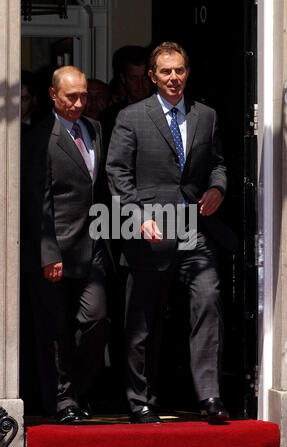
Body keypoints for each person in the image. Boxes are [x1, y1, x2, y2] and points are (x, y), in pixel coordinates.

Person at [106, 41, 237, 424]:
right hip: (149, 229)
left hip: (193, 229)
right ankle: (140, 399)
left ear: (187, 72)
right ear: (152, 76)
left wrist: (218, 188)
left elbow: (216, 164)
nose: (173, 78)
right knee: (144, 319)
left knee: (209, 299)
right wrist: (134, 215)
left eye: (179, 70)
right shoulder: (132, 117)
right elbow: (117, 172)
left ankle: (210, 396)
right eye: (165, 71)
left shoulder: (206, 116)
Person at [21, 65, 113, 424]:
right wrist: (49, 253)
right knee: (55, 331)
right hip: (54, 253)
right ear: (53, 96)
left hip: (93, 251)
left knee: (96, 322)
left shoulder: (95, 129)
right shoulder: (39, 138)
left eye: (83, 95)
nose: (79, 103)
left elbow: (100, 189)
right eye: (71, 96)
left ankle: (77, 390)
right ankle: (62, 402)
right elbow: (36, 200)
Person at [99, 45, 153, 153]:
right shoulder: (109, 118)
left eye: (144, 78)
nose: (140, 85)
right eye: (133, 78)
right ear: (123, 79)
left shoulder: (167, 110)